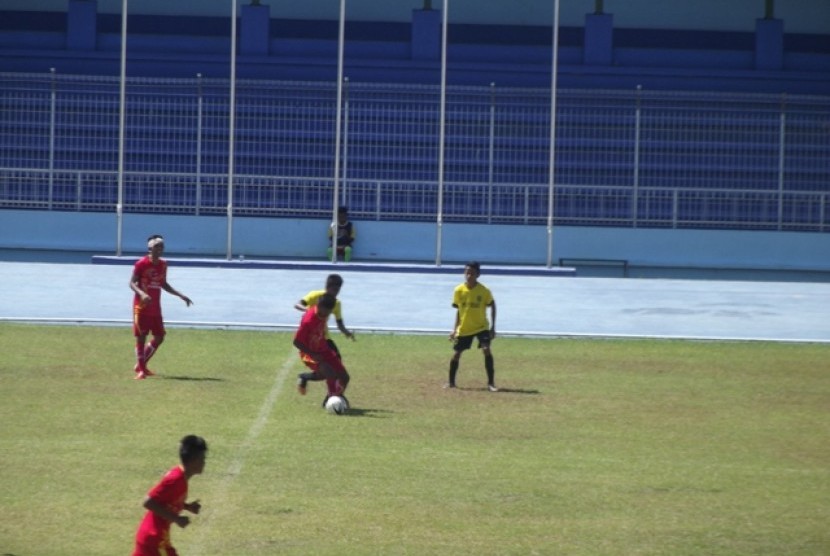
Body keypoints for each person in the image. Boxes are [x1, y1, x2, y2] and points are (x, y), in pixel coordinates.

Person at [130, 234, 193, 380]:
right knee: (141, 337)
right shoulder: (141, 264)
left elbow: (163, 283)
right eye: (157, 246)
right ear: (150, 248)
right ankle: (141, 371)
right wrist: (142, 293)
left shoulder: (163, 265)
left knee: (159, 337)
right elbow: (132, 283)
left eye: (162, 247)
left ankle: (141, 364)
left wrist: (180, 295)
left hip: (155, 307)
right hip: (141, 307)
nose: (160, 249)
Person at [133, 435, 208, 556]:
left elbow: (166, 500)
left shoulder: (182, 478)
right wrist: (176, 519)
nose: (204, 462)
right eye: (202, 458)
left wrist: (187, 507)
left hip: (157, 539)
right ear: (194, 460)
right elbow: (148, 501)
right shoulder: (175, 479)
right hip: (154, 540)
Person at [294, 274, 355, 397]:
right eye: (335, 289)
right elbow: (297, 341)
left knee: (343, 376)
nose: (325, 316)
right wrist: (307, 312)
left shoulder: (335, 304)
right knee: (329, 372)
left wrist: (347, 333)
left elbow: (339, 323)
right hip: (310, 349)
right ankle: (331, 398)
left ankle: (335, 396)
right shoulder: (311, 313)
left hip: (324, 343)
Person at [447, 261, 498, 392]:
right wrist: (454, 330)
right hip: (465, 328)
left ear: (478, 274)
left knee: (486, 349)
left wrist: (493, 327)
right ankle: (451, 382)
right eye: (466, 272)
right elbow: (459, 310)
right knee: (457, 354)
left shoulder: (484, 290)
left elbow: (492, 305)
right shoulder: (458, 290)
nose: (469, 275)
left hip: (481, 326)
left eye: (472, 273)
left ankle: (491, 383)